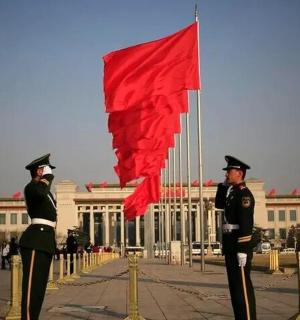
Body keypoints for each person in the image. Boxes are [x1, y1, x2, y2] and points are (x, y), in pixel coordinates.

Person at [215, 155, 256, 320]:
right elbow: (218, 204)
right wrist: (223, 186)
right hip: (231, 247)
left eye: (229, 171)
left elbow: (245, 223)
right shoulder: (232, 194)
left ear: (239, 173)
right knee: (235, 290)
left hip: (239, 248)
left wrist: (242, 250)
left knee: (243, 290)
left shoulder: (244, 195)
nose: (226, 174)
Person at [19, 153, 57, 320]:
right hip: (36, 240)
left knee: (39, 289)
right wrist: (47, 177)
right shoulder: (32, 188)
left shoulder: (44, 190)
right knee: (31, 289)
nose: (50, 172)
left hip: (45, 240)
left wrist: (46, 178)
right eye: (46, 168)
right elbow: (41, 192)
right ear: (39, 171)